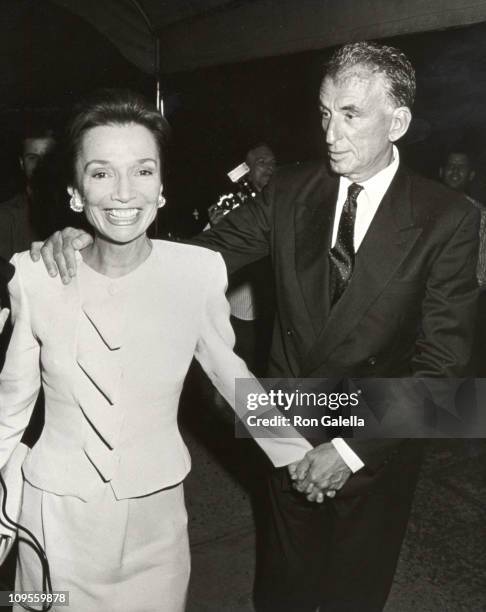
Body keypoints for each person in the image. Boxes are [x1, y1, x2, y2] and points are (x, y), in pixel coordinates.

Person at [31, 42, 480, 611]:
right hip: (285, 423)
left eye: (350, 115)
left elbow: (444, 370)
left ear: (399, 122)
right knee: (281, 594)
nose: (330, 133)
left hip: (376, 446)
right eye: (324, 112)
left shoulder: (448, 217)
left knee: (353, 597)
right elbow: (193, 258)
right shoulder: (291, 192)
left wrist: (347, 453)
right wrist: (94, 242)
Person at [0, 88, 313, 612]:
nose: (124, 193)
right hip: (53, 522)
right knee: (37, 606)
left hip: (155, 524)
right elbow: (9, 407)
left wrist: (300, 455)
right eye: (101, 173)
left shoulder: (195, 274)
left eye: (142, 171)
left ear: (162, 187)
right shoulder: (34, 277)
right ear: (75, 193)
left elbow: (232, 378)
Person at [207, 143, 276, 374]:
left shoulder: (288, 200)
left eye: (273, 163)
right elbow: (204, 256)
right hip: (240, 316)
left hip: (278, 316)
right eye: (261, 162)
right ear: (246, 170)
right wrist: (218, 230)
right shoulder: (228, 206)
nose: (269, 168)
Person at [0, 125, 56, 261]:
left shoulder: (80, 213)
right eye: (33, 158)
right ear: (22, 163)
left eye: (48, 157)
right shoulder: (5, 217)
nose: (41, 165)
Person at [440, 148, 486, 286]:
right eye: (451, 165)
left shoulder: (481, 214)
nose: (455, 171)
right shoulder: (422, 208)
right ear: (441, 171)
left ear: (471, 175)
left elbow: (481, 274)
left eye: (461, 167)